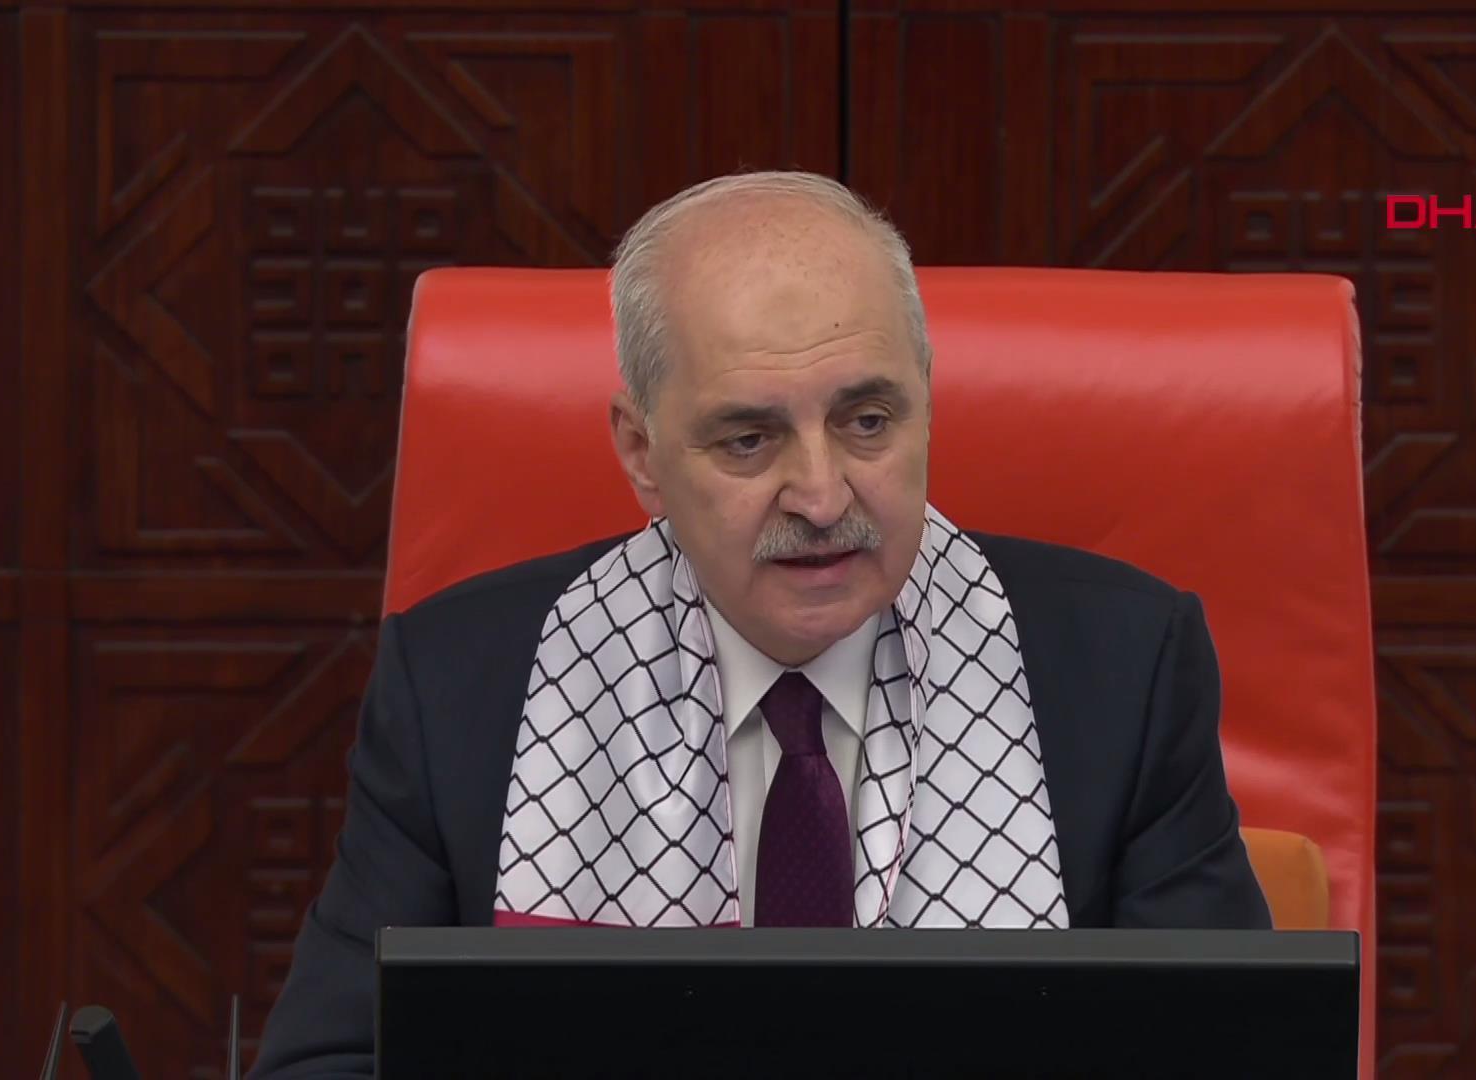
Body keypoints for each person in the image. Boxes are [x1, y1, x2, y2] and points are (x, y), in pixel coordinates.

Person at [249, 171, 1270, 1077]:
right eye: (748, 439)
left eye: (867, 422)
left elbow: (1234, 1054)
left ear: (927, 405)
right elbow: (332, 1060)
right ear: (642, 453)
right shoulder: (463, 687)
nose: (822, 496)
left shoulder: (1119, 673)